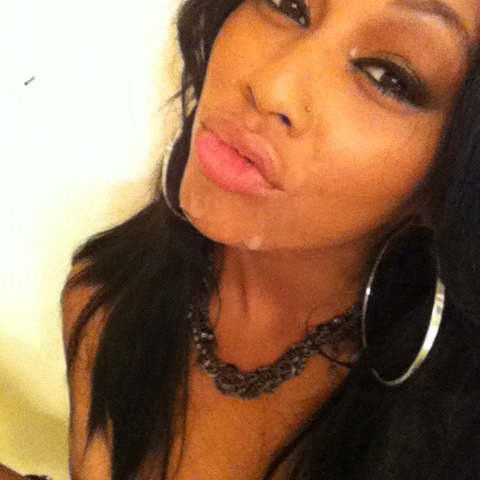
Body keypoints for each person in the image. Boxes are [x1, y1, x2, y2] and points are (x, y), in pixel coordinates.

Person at [62, 0, 480, 478]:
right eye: (288, 5)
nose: (270, 85)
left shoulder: (456, 438)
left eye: (387, 77)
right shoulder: (102, 299)